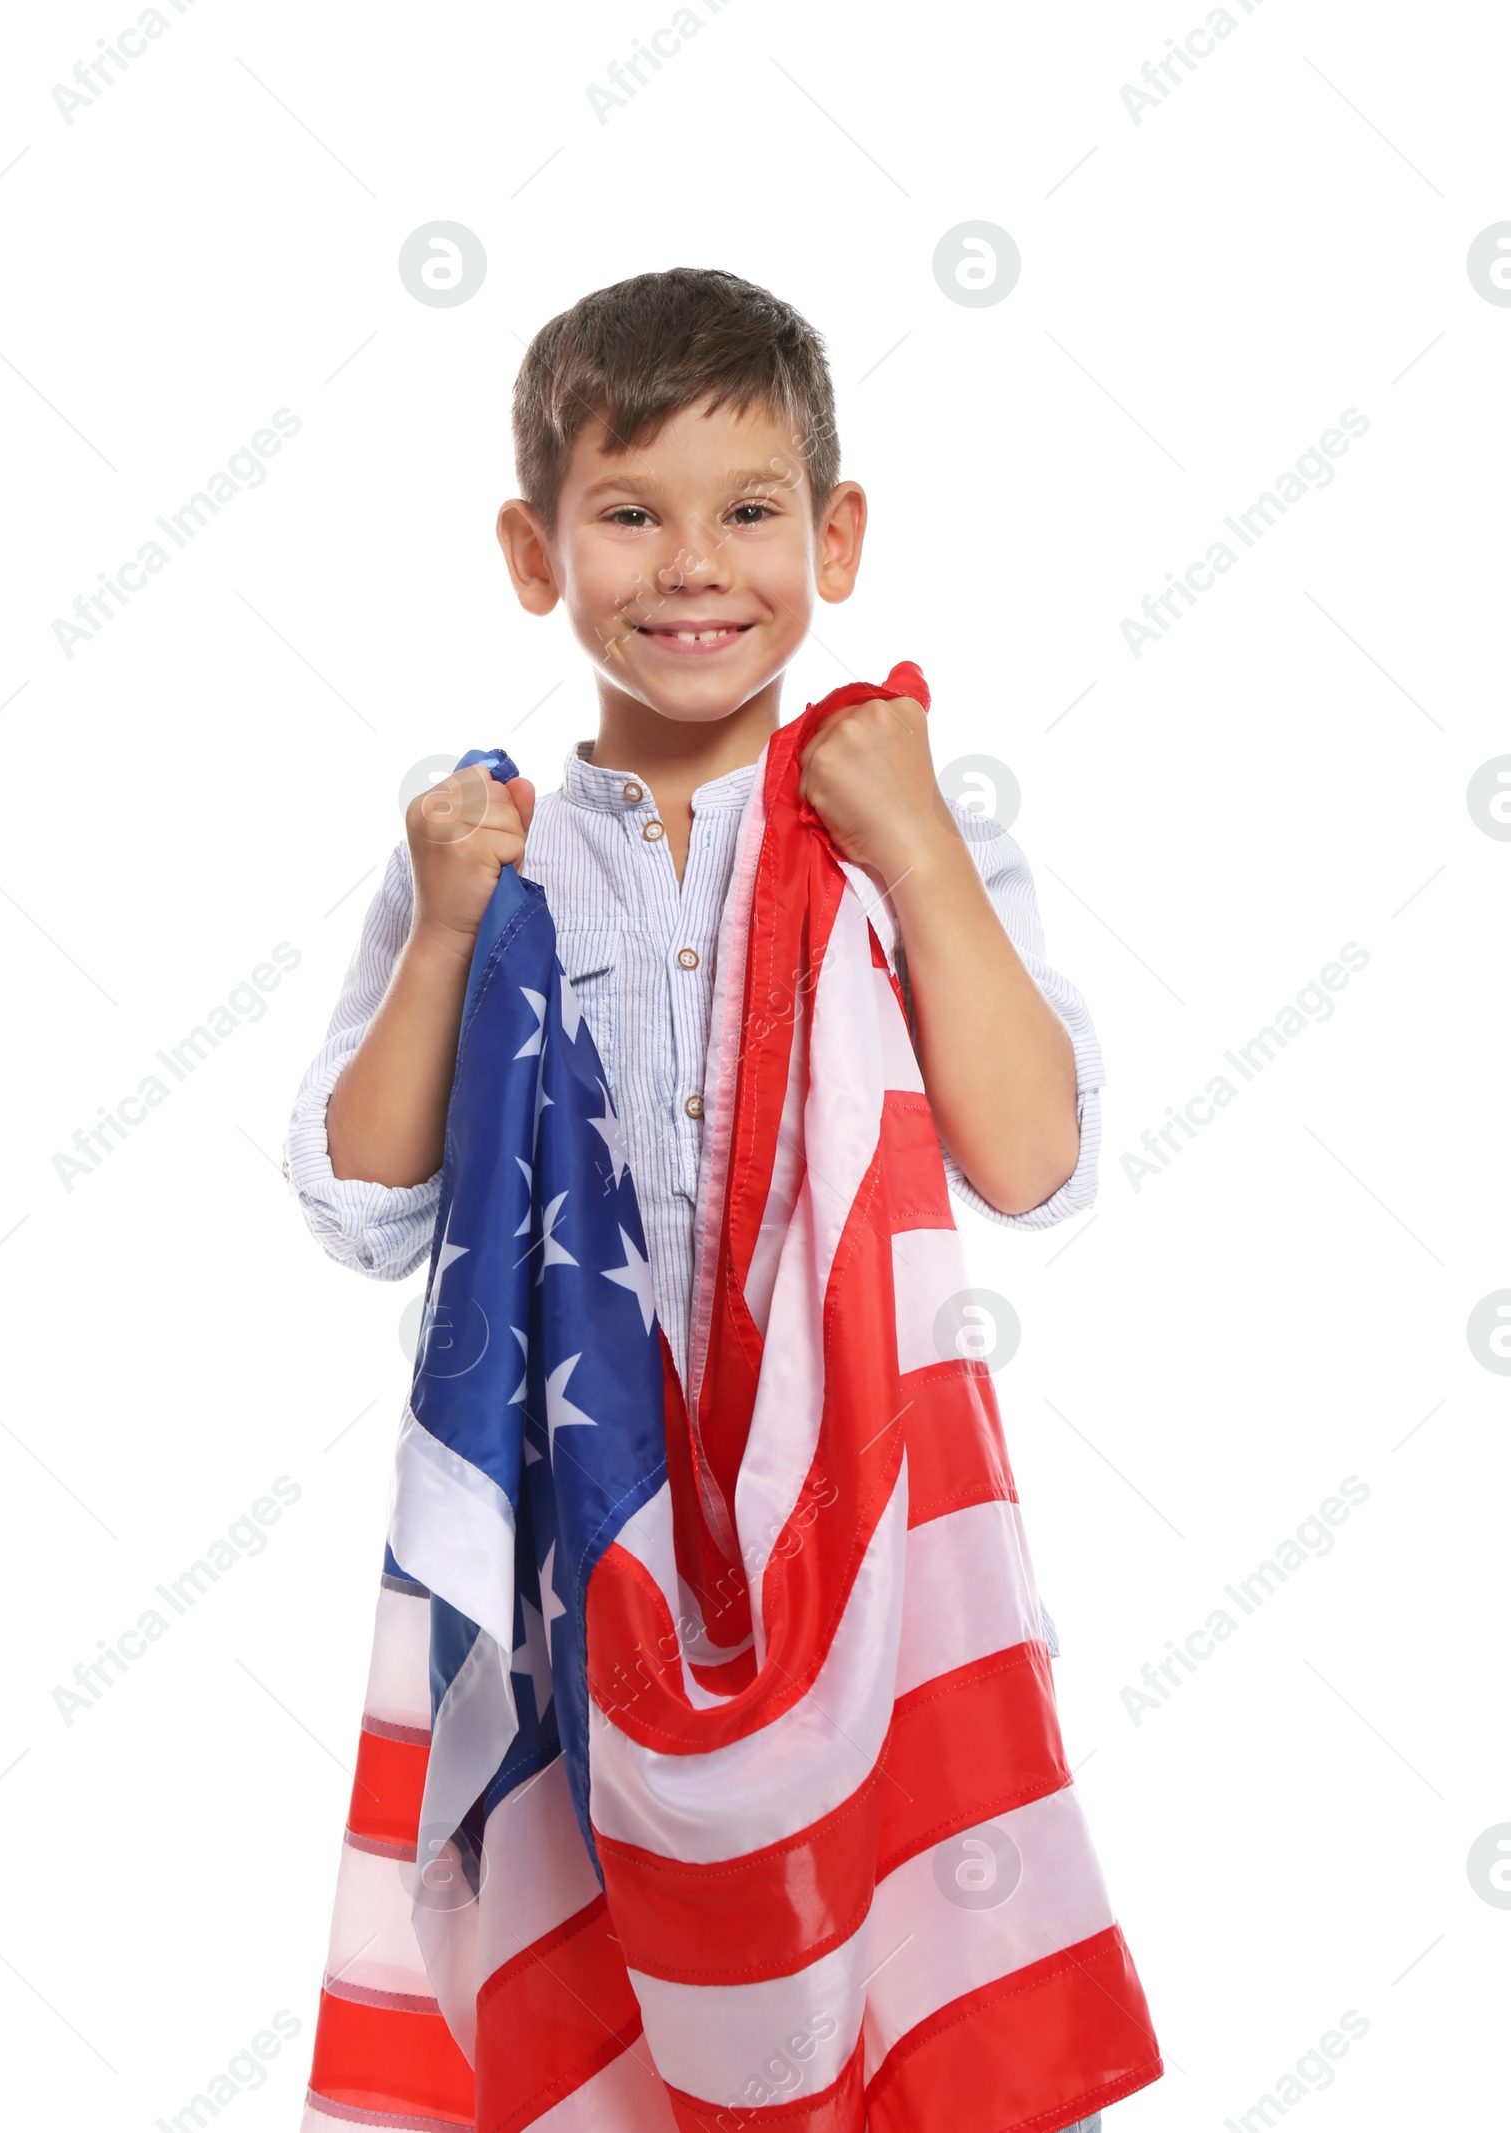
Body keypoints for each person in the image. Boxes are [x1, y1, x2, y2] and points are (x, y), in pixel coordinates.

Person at [287, 267, 1113, 2133]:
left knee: (871, 1997)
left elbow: (1034, 1156)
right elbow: (360, 1205)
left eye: (749, 510)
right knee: (593, 2007)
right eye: (627, 511)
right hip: (574, 1549)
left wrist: (907, 843)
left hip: (863, 1539)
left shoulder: (896, 820)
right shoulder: (486, 846)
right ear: (534, 548)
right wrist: (441, 931)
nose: (692, 567)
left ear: (834, 533)